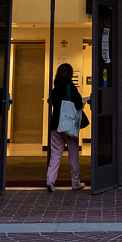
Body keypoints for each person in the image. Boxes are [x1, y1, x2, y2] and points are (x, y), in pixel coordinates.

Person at [45, 62, 85, 191]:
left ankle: (50, 180)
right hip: (69, 126)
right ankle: (75, 181)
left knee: (56, 153)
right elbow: (78, 104)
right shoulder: (70, 87)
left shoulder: (55, 88)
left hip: (55, 124)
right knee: (73, 155)